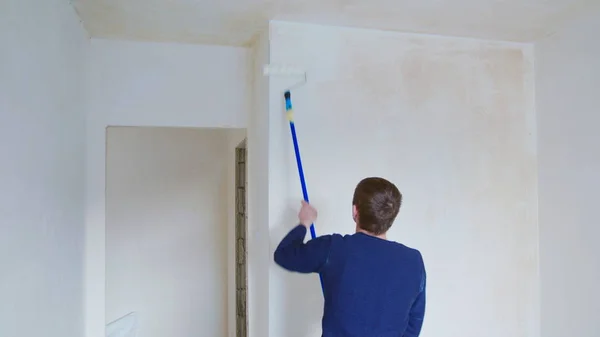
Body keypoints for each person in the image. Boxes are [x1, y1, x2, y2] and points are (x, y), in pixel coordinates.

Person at [274, 177, 426, 337]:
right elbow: (413, 323)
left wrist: (304, 222)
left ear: (355, 211)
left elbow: (284, 255)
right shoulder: (414, 261)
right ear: (392, 216)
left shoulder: (333, 248)